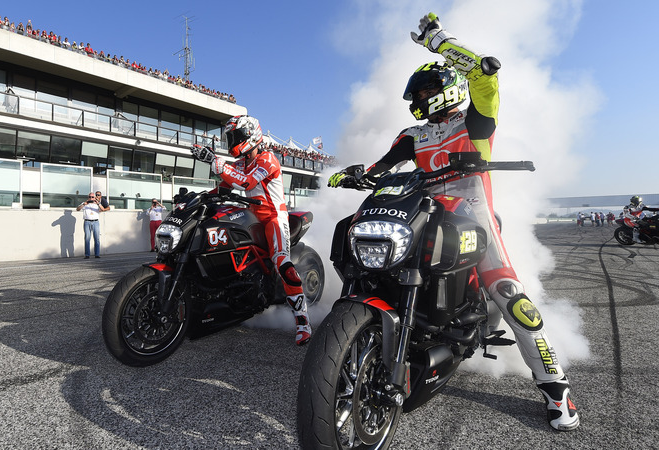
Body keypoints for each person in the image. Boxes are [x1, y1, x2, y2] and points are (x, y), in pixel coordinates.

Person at [327, 13, 578, 431]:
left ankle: (557, 388)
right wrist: (355, 175)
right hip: (422, 215)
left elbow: (485, 78)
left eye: (427, 90)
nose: (420, 98)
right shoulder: (413, 134)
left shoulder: (474, 123)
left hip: (473, 221)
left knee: (514, 300)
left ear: (447, 88)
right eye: (417, 92)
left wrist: (439, 41)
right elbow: (382, 166)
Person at [190, 115, 312, 346]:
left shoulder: (269, 159)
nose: (232, 141)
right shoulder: (239, 164)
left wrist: (216, 162)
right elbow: (222, 189)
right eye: (230, 137)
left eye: (235, 136)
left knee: (282, 263)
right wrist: (197, 199)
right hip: (252, 216)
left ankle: (303, 322)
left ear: (250, 136)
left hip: (274, 217)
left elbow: (246, 183)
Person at [76, 192, 103, 259]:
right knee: (87, 238)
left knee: (97, 238)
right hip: (87, 222)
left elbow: (102, 209)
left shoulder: (97, 203)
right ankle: (87, 254)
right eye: (90, 197)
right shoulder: (85, 203)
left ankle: (97, 254)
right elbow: (77, 209)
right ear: (88, 197)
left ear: (95, 197)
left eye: (92, 197)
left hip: (95, 222)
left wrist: (98, 203)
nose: (91, 198)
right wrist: (84, 204)